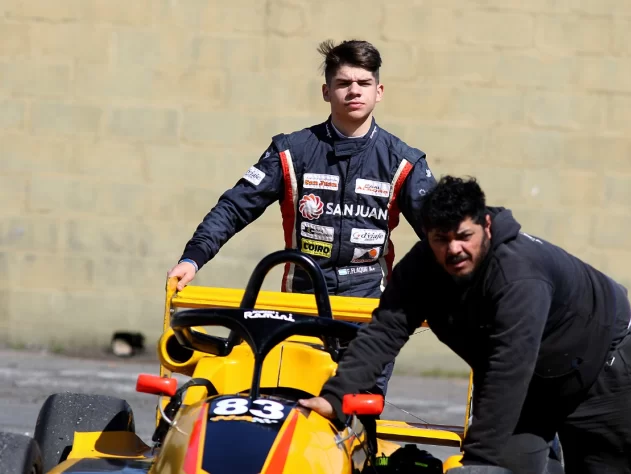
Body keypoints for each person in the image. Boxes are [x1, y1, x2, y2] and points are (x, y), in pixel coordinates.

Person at [299, 176, 631, 474]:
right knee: (509, 466)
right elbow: (383, 332)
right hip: (530, 378)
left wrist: (480, 459)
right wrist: (336, 397)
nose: (453, 249)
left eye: (463, 236)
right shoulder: (421, 268)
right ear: (427, 236)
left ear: (486, 225)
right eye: (441, 239)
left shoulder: (517, 273)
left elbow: (510, 365)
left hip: (601, 363)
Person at [167, 39, 437, 397]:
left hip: (369, 311)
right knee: (292, 407)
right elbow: (234, 207)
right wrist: (193, 258)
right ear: (326, 91)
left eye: (364, 83)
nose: (354, 91)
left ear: (379, 91)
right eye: (343, 83)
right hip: (300, 305)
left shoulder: (404, 161)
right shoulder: (291, 151)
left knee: (356, 411)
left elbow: (441, 233)